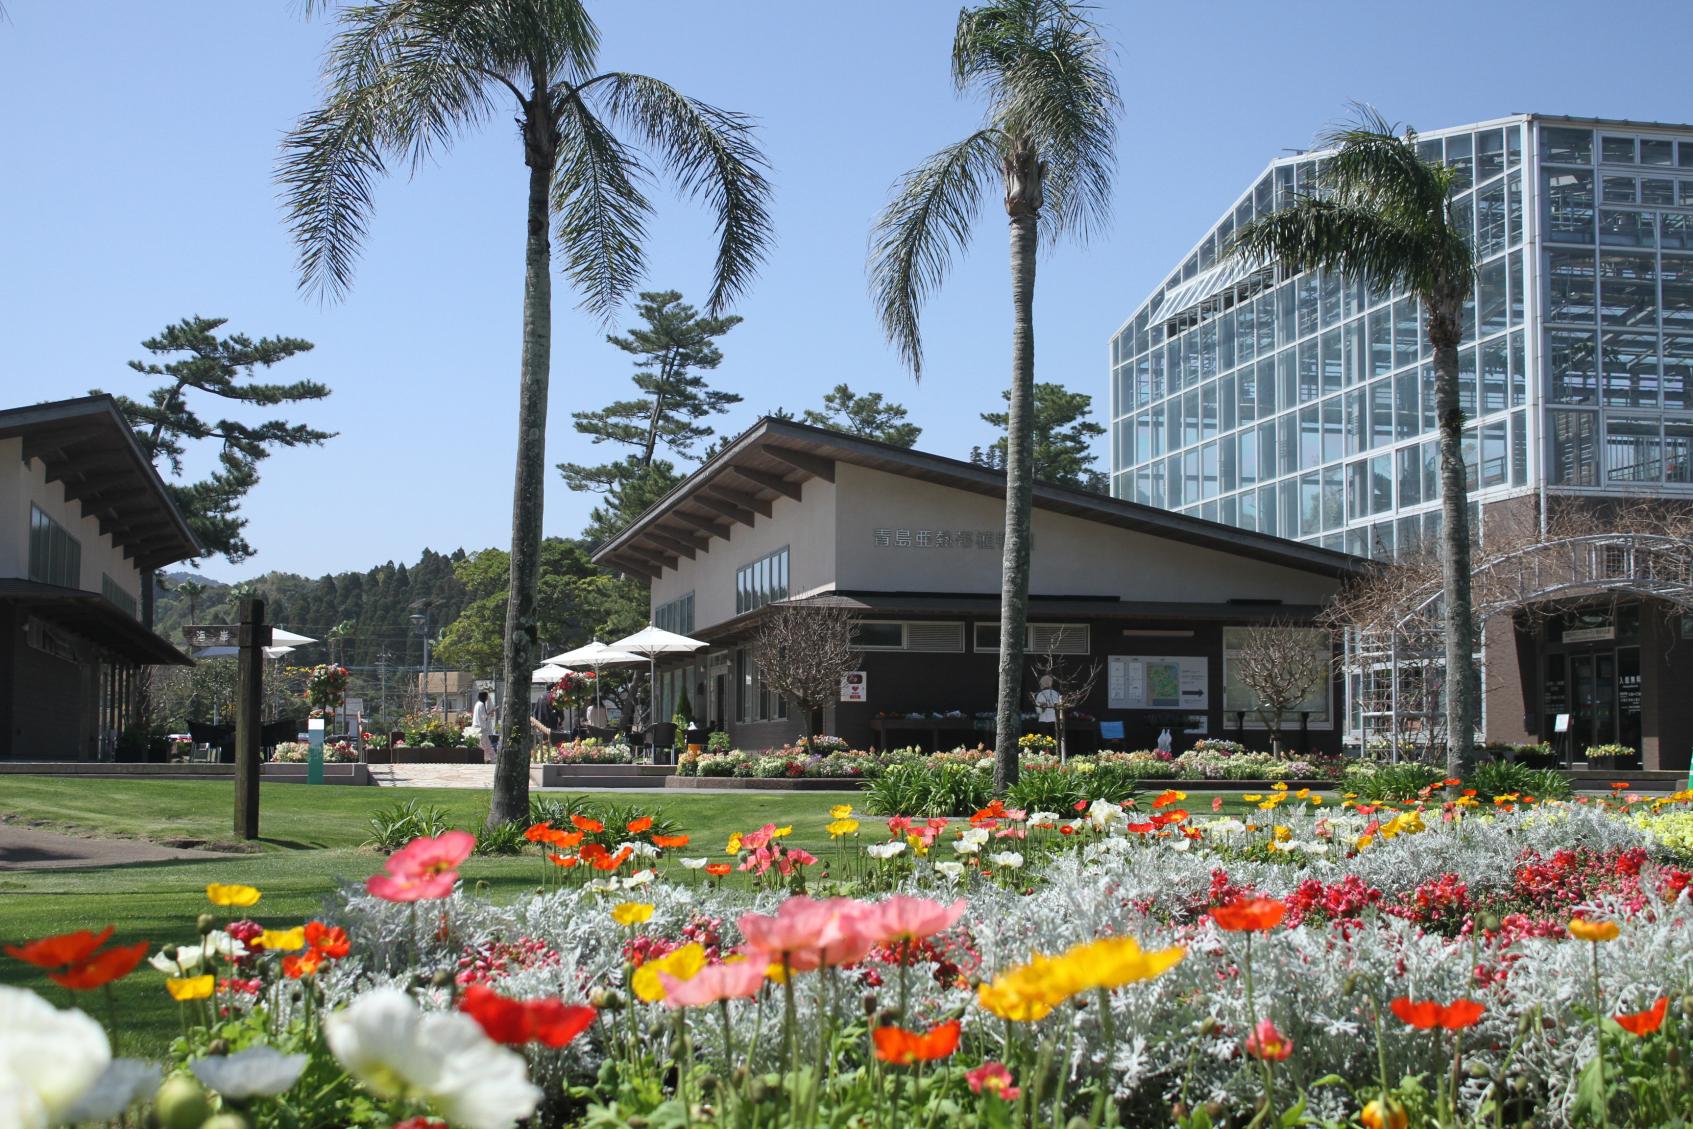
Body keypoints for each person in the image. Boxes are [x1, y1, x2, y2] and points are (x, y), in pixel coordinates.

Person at [472, 691, 496, 764]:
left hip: (475, 727)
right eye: (487, 697)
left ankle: (486, 759)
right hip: (481, 728)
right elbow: (484, 716)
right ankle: (494, 760)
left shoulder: (477, 704)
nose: (487, 698)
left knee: (482, 745)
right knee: (487, 745)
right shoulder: (482, 705)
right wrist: (491, 711)